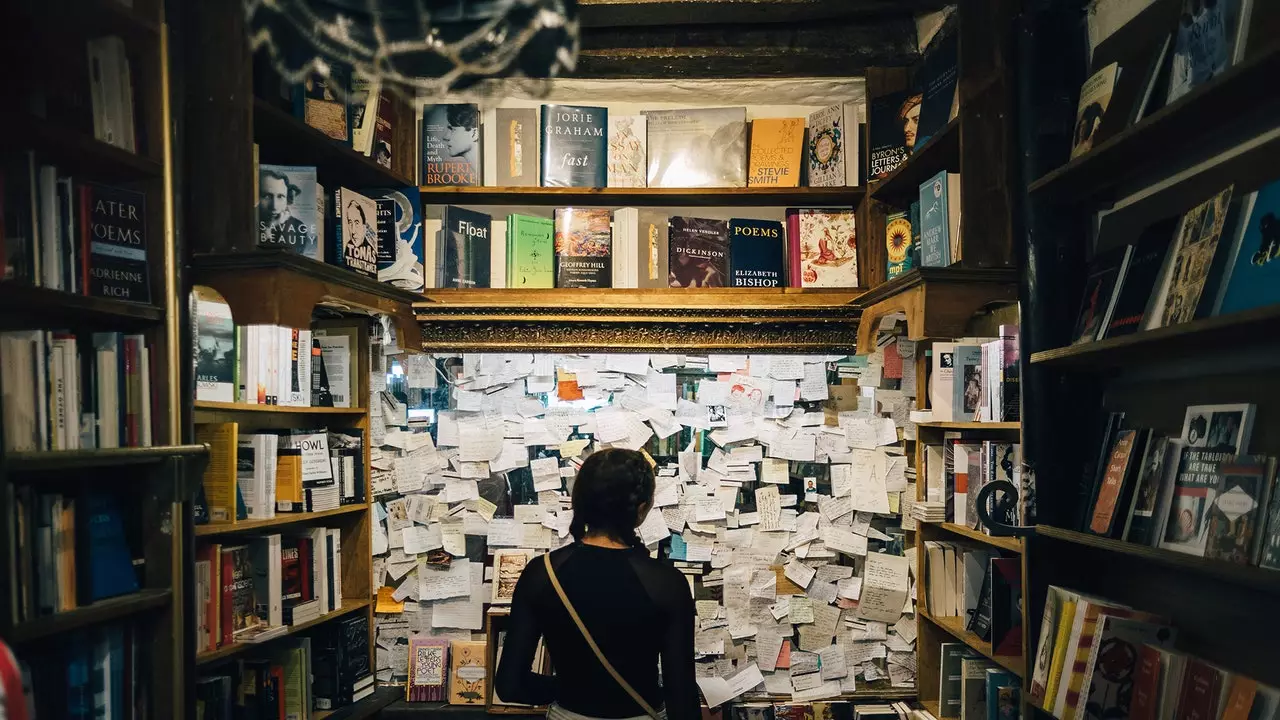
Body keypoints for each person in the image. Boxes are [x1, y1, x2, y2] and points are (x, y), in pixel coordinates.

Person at [495, 448, 698, 720]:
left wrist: (570, 689)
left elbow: (509, 686)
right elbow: (682, 699)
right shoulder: (667, 583)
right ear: (641, 509)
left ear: (579, 501)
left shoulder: (541, 573)